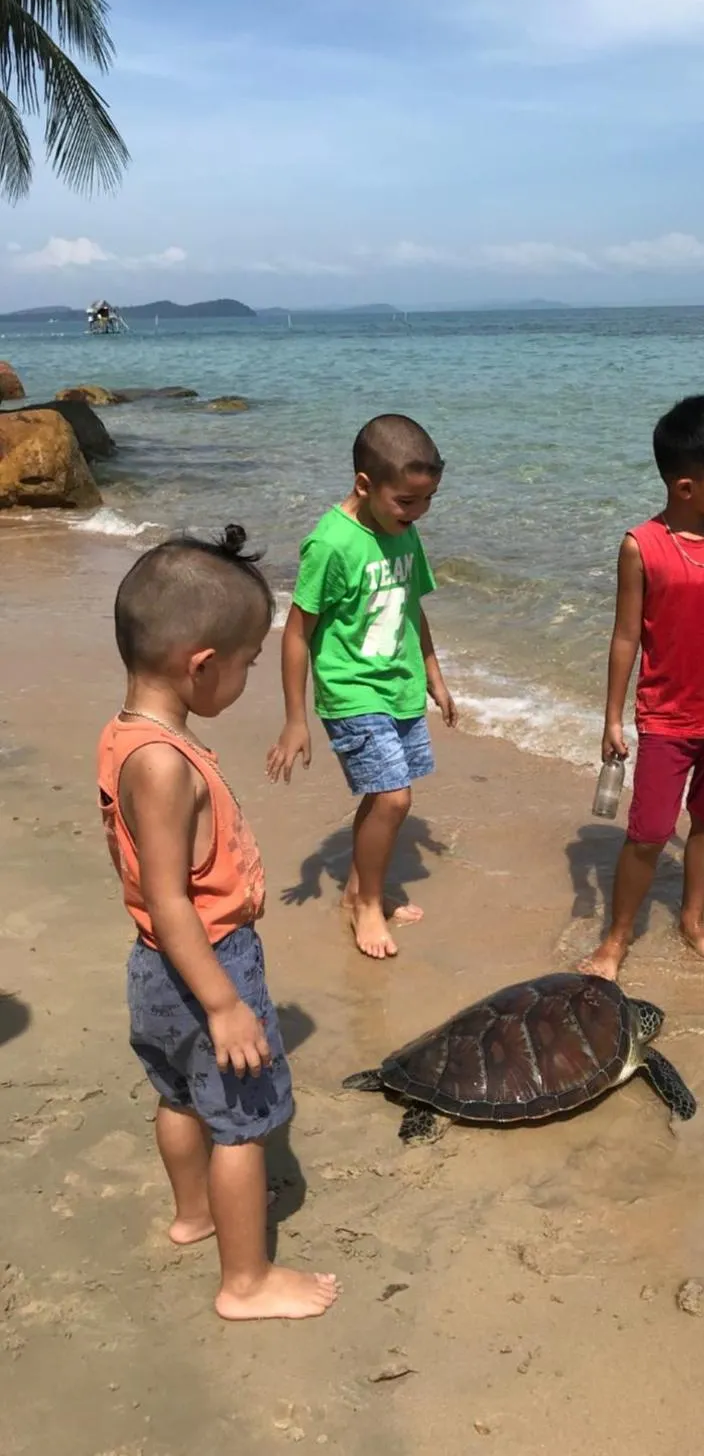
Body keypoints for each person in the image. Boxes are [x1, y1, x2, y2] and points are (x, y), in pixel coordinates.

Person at [97, 525, 339, 1321]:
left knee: (177, 1096)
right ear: (201, 666)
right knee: (241, 1124)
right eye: (245, 666)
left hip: (154, 970)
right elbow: (172, 899)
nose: (245, 680)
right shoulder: (164, 765)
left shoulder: (129, 735)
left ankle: (194, 1215)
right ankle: (247, 1281)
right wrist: (227, 1003)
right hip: (208, 963)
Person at [579, 394, 704, 982]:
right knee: (650, 833)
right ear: (685, 487)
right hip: (668, 719)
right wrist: (613, 718)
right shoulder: (642, 547)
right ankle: (616, 940)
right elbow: (624, 638)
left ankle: (693, 920)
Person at [267, 414, 457, 960]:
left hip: (400, 685)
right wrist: (295, 718)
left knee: (381, 795)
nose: (416, 514)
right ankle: (367, 905)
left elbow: (411, 605)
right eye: (406, 502)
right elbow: (297, 631)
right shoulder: (330, 544)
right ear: (364, 485)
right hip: (351, 691)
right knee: (396, 798)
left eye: (426, 502)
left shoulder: (403, 532)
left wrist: (436, 679)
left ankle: (358, 887)